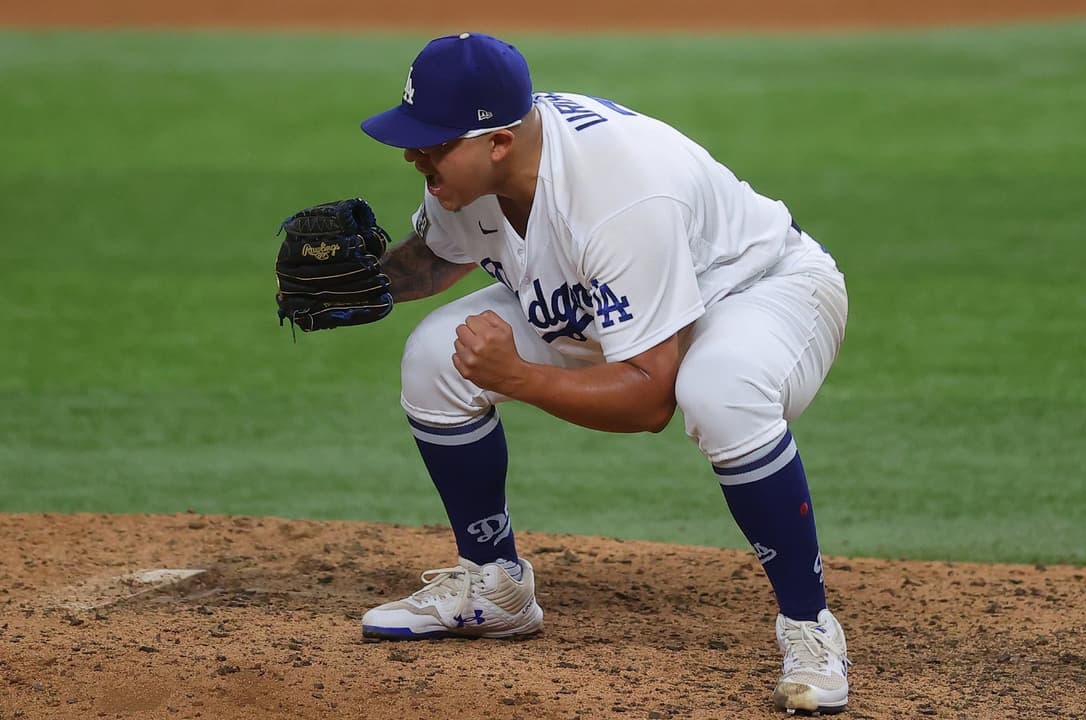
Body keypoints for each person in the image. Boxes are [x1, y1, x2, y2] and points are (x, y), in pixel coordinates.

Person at [355, 32, 851, 715]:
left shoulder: (617, 194)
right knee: (435, 356)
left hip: (755, 290)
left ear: (497, 141)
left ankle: (809, 628)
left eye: (433, 142)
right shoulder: (473, 172)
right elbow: (443, 255)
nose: (414, 155)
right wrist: (361, 287)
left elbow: (651, 399)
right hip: (608, 293)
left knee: (718, 391)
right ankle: (495, 588)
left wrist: (520, 375)